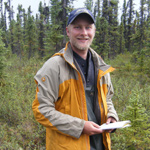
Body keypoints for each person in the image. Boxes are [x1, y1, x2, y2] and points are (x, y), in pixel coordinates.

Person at [32, 8, 119, 150]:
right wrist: (80, 126)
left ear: (94, 31)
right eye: (77, 27)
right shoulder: (54, 67)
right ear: (68, 31)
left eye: (88, 27)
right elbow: (41, 110)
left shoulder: (101, 66)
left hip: (100, 144)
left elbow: (107, 98)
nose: (84, 33)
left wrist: (111, 116)